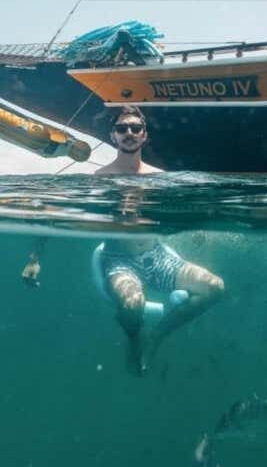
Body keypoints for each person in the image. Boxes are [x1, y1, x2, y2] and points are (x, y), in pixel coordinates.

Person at [94, 106, 225, 375]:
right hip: (120, 261)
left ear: (144, 136)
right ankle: (135, 339)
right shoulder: (99, 180)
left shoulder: (159, 178)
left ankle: (157, 336)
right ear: (113, 136)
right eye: (122, 128)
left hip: (158, 258)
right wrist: (34, 258)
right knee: (132, 304)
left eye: (135, 128)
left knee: (214, 287)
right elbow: (51, 218)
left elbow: (180, 212)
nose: (129, 133)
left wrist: (196, 225)